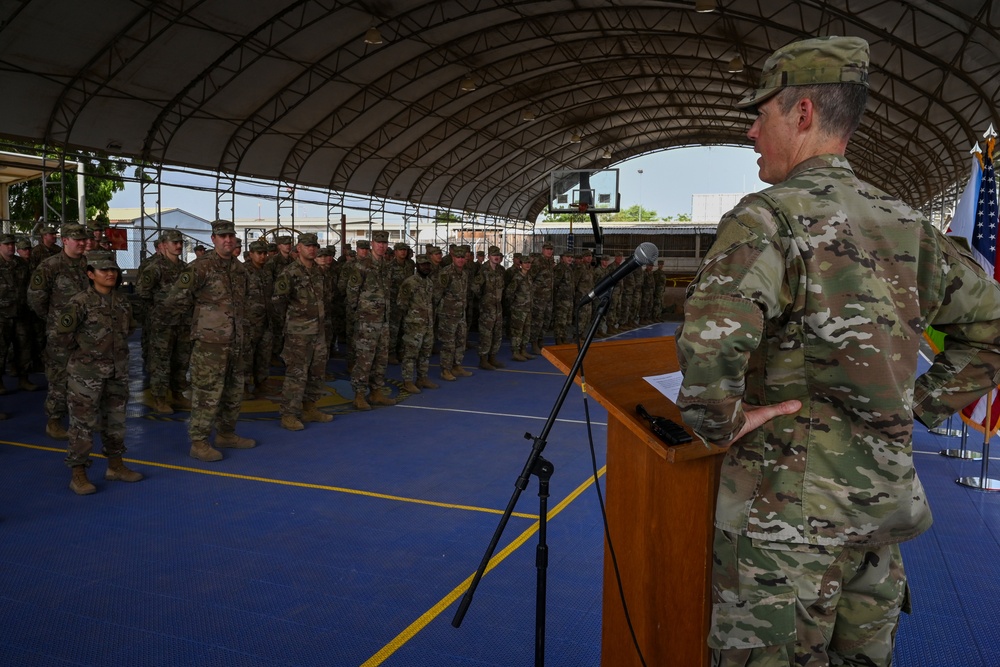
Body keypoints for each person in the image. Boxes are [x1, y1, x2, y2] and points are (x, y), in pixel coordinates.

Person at [674, 35, 1000, 667]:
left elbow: (711, 343)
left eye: (760, 113)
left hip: (785, 523)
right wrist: (925, 404)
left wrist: (721, 421)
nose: (750, 131)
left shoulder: (767, 218)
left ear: (802, 114)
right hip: (879, 519)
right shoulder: (909, 226)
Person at [161, 219, 255, 462]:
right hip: (210, 343)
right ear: (213, 240)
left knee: (233, 391)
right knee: (207, 392)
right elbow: (174, 300)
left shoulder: (239, 269)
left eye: (231, 236)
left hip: (235, 341)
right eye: (222, 236)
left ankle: (226, 434)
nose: (227, 240)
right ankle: (199, 442)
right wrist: (199, 323)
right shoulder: (200, 267)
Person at [53, 250, 142, 495]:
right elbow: (61, 337)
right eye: (104, 270)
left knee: (116, 422)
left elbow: (128, 331)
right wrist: (83, 361)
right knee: (83, 424)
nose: (111, 273)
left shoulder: (123, 302)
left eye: (113, 269)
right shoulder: (79, 302)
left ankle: (115, 466)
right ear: (91, 274)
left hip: (117, 371)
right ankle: (78, 474)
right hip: (86, 375)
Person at [27, 223, 91, 440]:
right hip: (60, 334)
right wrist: (54, 320)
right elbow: (36, 297)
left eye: (84, 239)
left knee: (87, 376)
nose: (82, 243)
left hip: (88, 332)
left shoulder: (90, 264)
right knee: (59, 377)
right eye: (77, 239)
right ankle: (54, 421)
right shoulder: (50, 266)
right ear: (65, 241)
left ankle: (84, 418)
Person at [271, 232, 333, 430]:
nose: (312, 249)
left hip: (318, 331)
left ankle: (310, 408)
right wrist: (292, 323)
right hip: (298, 333)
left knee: (317, 372)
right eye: (307, 246)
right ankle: (288, 414)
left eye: (314, 245)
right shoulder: (290, 273)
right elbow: (278, 302)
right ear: (299, 249)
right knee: (296, 374)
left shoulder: (318, 271)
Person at [135, 228, 192, 413]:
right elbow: (142, 293)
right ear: (164, 245)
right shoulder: (155, 268)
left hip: (183, 323)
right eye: (174, 242)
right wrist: (156, 311)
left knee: (181, 360)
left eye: (180, 242)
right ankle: (159, 398)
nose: (178, 245)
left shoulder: (184, 268)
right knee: (161, 361)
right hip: (162, 324)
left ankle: (178, 394)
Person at [343, 230, 395, 410]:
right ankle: (359, 395)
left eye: (385, 243)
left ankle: (376, 392)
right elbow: (352, 292)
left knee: (381, 358)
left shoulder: (386, 266)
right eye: (379, 243)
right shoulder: (362, 265)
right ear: (372, 243)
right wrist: (359, 316)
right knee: (364, 359)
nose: (382, 246)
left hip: (383, 321)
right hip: (367, 321)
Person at [397, 254, 438, 393]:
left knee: (425, 353)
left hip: (428, 324)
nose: (426, 267)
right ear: (417, 266)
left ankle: (422, 378)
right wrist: (411, 319)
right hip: (414, 326)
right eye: (423, 265)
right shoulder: (410, 282)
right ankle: (407, 381)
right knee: (410, 354)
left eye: (428, 265)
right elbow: (401, 304)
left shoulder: (429, 283)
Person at [435, 245, 472, 381]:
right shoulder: (446, 273)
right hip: (448, 315)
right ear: (452, 257)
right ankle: (445, 369)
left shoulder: (464, 274)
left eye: (463, 257)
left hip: (460, 314)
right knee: (448, 344)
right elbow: (437, 294)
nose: (461, 260)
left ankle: (457, 366)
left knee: (461, 341)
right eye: (458, 257)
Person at [474, 245, 505, 370]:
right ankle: (483, 359)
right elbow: (475, 287)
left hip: (498, 307)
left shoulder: (500, 270)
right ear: (489, 256)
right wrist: (483, 300)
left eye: (498, 255)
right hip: (487, 308)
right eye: (493, 255)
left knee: (497, 334)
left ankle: (492, 357)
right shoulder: (483, 270)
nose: (496, 257)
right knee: (486, 334)